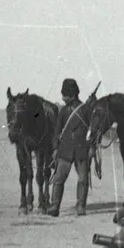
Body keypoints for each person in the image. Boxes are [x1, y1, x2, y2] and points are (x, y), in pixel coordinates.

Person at [48, 78, 93, 217]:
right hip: (65, 149)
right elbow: (57, 131)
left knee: (83, 179)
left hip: (81, 149)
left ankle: (81, 206)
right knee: (58, 178)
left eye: (65, 95)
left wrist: (91, 148)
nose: (63, 97)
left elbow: (92, 131)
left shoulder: (86, 109)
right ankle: (55, 206)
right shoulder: (63, 111)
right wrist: (55, 148)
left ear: (73, 95)